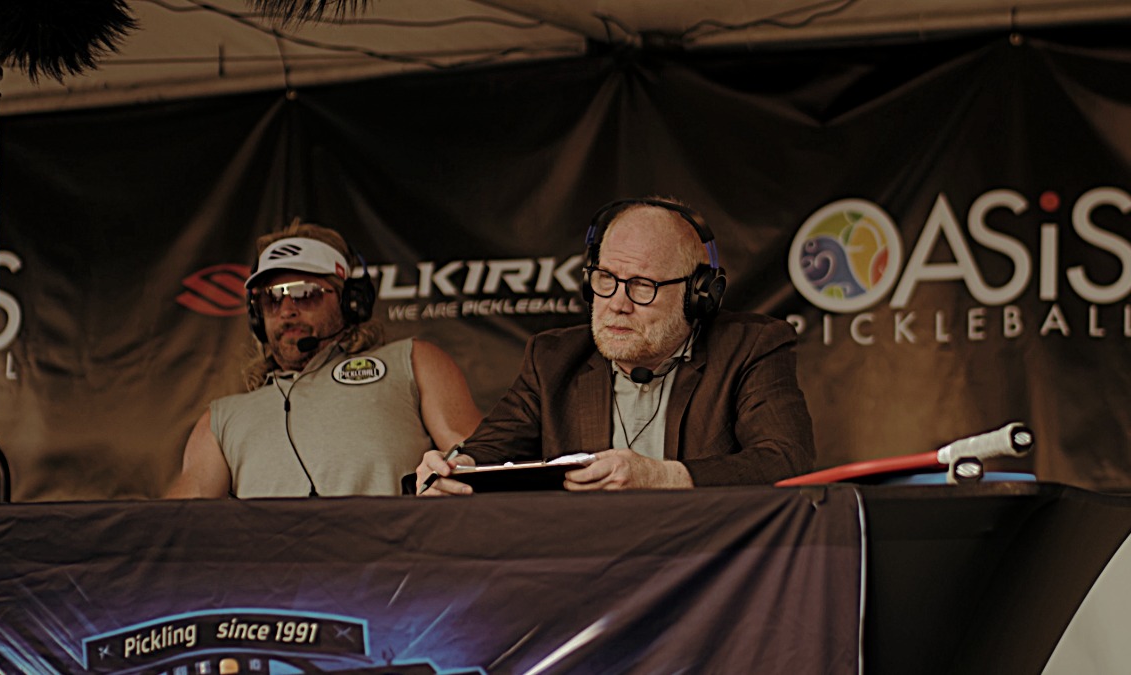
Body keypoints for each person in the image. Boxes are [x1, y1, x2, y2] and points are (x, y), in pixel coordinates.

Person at [417, 197, 815, 495]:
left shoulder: (752, 347)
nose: (617, 303)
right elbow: (488, 448)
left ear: (699, 294)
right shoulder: (552, 358)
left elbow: (786, 461)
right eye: (606, 278)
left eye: (643, 285)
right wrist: (454, 466)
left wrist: (663, 477)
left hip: (707, 569)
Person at [167, 221, 481, 498]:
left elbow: (477, 457)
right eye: (271, 298)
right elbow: (176, 524)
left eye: (305, 293)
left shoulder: (412, 361)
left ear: (350, 301)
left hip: (397, 562)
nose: (287, 309)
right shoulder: (220, 420)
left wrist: (450, 474)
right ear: (255, 315)